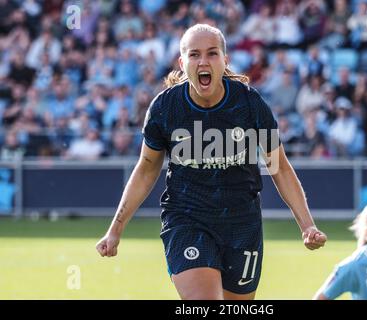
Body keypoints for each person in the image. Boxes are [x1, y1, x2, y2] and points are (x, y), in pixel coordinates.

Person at [96, 24, 327, 300]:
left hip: (242, 222)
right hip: (187, 218)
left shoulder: (250, 104)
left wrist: (307, 226)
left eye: (212, 53)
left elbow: (279, 168)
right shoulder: (164, 108)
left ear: (225, 60)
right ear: (182, 63)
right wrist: (115, 229)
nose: (203, 61)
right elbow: (146, 170)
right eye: (194, 55)